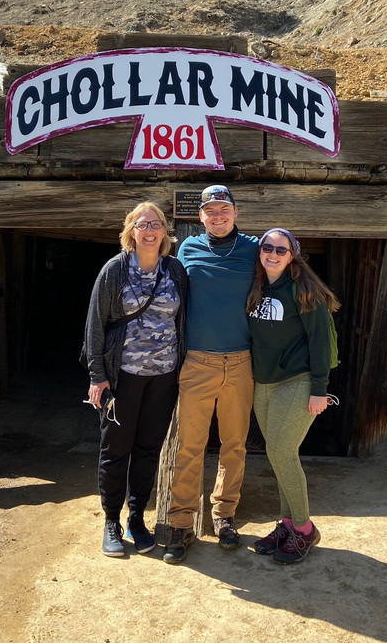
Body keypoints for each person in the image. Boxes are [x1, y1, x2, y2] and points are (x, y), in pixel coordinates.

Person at [84, 202, 188, 558]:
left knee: (148, 450)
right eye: (142, 224)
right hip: (123, 376)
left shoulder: (174, 270)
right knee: (116, 449)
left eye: (156, 223)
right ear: (131, 231)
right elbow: (95, 325)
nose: (149, 229)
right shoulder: (115, 270)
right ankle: (111, 521)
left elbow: (183, 320)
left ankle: (137, 518)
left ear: (164, 232)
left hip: (164, 377)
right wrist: (98, 376)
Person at [164, 185, 260, 564]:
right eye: (210, 211)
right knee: (189, 445)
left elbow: (290, 269)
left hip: (241, 362)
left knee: (234, 444)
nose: (217, 216)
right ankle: (182, 523)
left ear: (235, 212)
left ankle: (223, 516)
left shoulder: (256, 249)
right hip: (198, 362)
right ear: (200, 216)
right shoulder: (187, 249)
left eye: (224, 209)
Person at [246, 227, 340, 564]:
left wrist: (319, 390)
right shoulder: (255, 287)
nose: (272, 254)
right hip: (264, 383)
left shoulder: (303, 291)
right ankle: (286, 524)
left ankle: (304, 529)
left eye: (281, 250)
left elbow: (318, 342)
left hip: (298, 381)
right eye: (267, 247)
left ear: (292, 256)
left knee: (282, 450)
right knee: (277, 454)